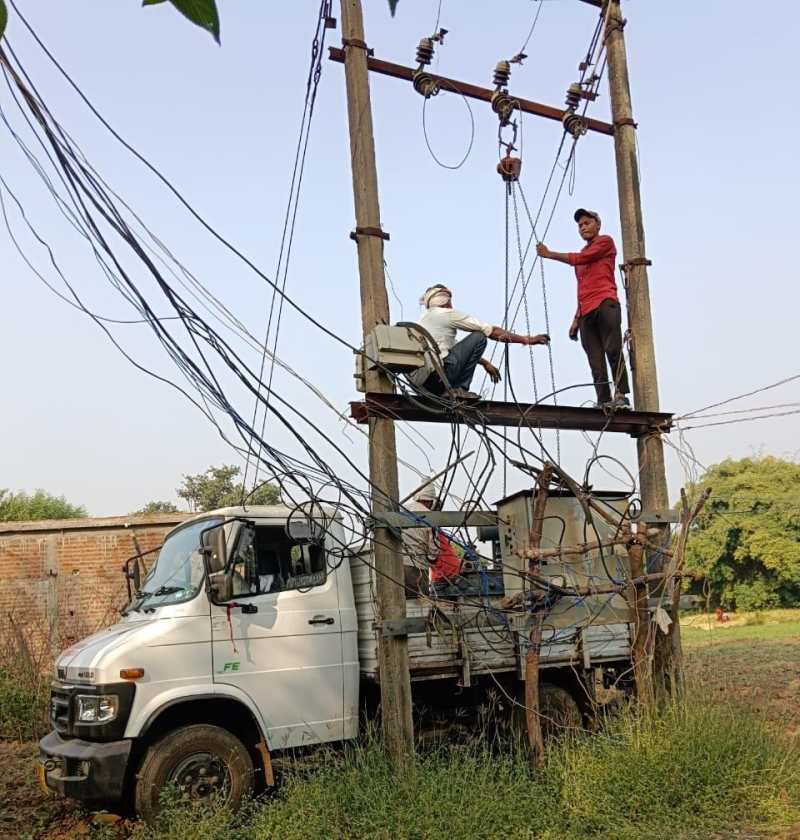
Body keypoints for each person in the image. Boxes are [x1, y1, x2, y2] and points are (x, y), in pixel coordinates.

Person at [536, 209, 631, 410]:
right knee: (595, 360)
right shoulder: (581, 257)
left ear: (598, 225)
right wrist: (576, 319)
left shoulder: (605, 242)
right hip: (586, 311)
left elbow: (581, 258)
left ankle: (621, 395)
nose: (583, 227)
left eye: (587, 223)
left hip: (605, 302)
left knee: (613, 349)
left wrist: (550, 254)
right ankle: (603, 400)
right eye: (580, 225)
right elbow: (582, 290)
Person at [408, 284, 550, 399]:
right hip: (438, 378)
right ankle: (460, 389)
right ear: (446, 301)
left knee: (467, 344)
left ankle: (450, 391)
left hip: (423, 387)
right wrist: (526, 339)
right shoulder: (446, 314)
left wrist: (485, 363)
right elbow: (490, 331)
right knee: (479, 336)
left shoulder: (424, 320)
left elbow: (455, 349)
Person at [402, 478, 462, 597]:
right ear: (430, 502)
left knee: (400, 602)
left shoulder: (403, 509)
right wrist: (430, 558)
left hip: (397, 565)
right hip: (417, 568)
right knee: (420, 603)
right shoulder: (430, 517)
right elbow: (433, 551)